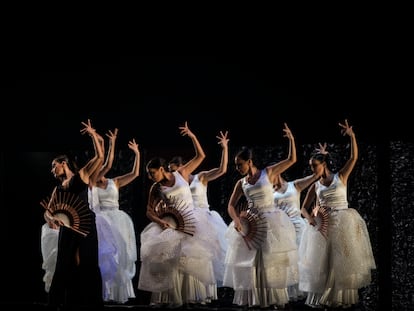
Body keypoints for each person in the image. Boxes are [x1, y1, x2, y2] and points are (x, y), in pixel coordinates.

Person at [138, 121, 217, 308]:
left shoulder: (181, 173)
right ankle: (171, 298)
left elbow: (201, 155)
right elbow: (149, 211)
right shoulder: (155, 187)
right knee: (171, 261)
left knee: (190, 259)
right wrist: (160, 221)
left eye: (152, 173)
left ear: (162, 169)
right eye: (149, 174)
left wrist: (192, 136)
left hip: (190, 220)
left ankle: (191, 296)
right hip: (172, 224)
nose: (151, 176)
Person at [299, 119, 376, 309]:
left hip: (342, 220)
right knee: (324, 263)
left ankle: (339, 298)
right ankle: (326, 297)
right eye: (310, 167)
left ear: (323, 164)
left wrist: (352, 137)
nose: (312, 170)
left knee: (342, 260)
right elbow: (303, 207)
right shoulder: (315, 185)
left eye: (314, 166)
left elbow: (354, 158)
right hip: (323, 225)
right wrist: (310, 219)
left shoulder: (339, 177)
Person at [223, 123, 299, 309]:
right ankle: (256, 299)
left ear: (250, 161)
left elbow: (292, 159)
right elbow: (231, 205)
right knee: (252, 262)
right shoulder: (241, 183)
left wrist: (291, 139)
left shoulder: (268, 173)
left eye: (240, 164)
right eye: (236, 165)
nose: (238, 168)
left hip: (271, 220)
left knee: (269, 260)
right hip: (251, 223)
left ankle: (272, 297)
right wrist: (236, 220)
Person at [41, 119, 104, 310]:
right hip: (67, 227)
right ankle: (57, 302)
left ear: (63, 163)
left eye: (54, 166)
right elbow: (48, 212)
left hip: (85, 224)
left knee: (87, 261)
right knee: (63, 263)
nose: (53, 170)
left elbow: (100, 157)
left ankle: (91, 302)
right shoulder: (57, 189)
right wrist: (52, 220)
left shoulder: (82, 175)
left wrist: (93, 134)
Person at [169, 130, 230, 294]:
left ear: (183, 167)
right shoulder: (175, 185)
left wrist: (224, 148)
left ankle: (206, 291)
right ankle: (189, 290)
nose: (173, 175)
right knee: (188, 256)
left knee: (206, 255)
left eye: (175, 170)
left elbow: (222, 170)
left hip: (204, 217)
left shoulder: (200, 177)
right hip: (186, 219)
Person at [88, 128, 140, 303]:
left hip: (118, 221)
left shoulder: (114, 182)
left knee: (122, 255)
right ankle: (105, 292)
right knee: (106, 257)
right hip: (101, 221)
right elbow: (108, 163)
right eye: (99, 169)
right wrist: (109, 143)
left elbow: (135, 174)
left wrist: (137, 154)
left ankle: (119, 293)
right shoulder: (92, 183)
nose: (102, 170)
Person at [273, 167, 322, 301]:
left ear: (277, 173)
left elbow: (315, 176)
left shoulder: (294, 185)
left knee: (301, 258)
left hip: (297, 225)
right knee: (286, 260)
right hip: (282, 228)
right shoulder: (270, 192)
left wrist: (323, 157)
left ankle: (304, 290)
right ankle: (288, 294)